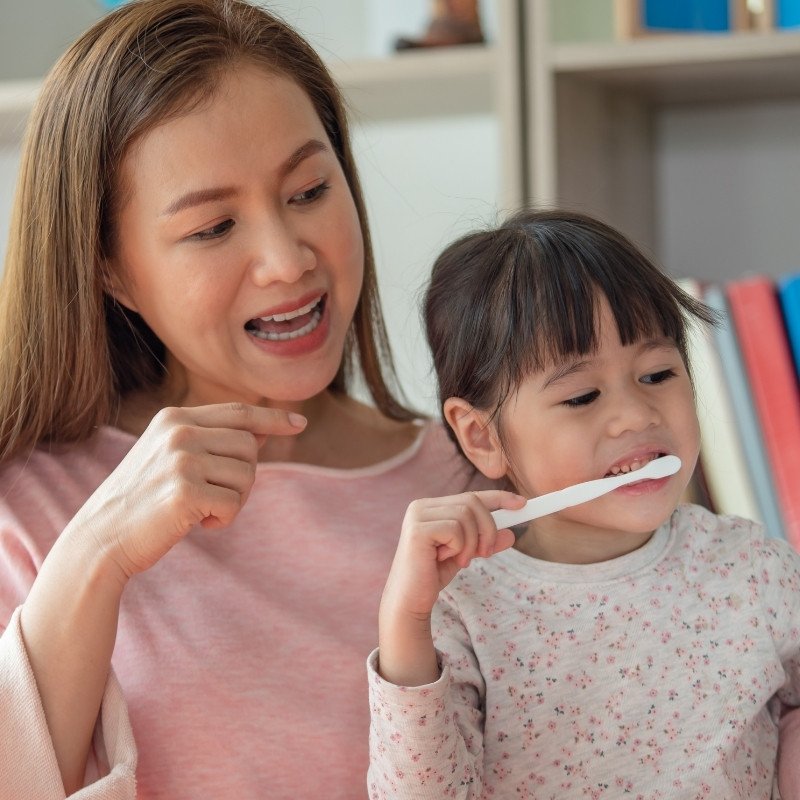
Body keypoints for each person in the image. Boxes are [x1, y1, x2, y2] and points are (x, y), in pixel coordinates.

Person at [0, 1, 488, 797]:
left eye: (307, 191)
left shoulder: (472, 482)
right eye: (213, 227)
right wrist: (97, 554)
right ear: (109, 268)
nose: (287, 259)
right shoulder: (26, 509)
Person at [367, 209, 800, 799]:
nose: (635, 415)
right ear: (482, 436)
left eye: (657, 374)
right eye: (582, 396)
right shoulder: (465, 611)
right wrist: (404, 621)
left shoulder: (755, 571)